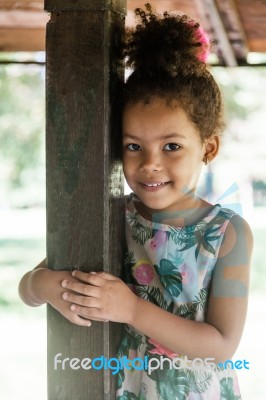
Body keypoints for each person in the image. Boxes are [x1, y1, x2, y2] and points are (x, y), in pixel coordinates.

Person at [19, 4, 253, 399]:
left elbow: (221, 346)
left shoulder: (227, 233)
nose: (150, 164)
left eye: (172, 146)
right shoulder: (113, 216)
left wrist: (129, 310)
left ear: (208, 148)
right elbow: (27, 288)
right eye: (133, 146)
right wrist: (44, 285)